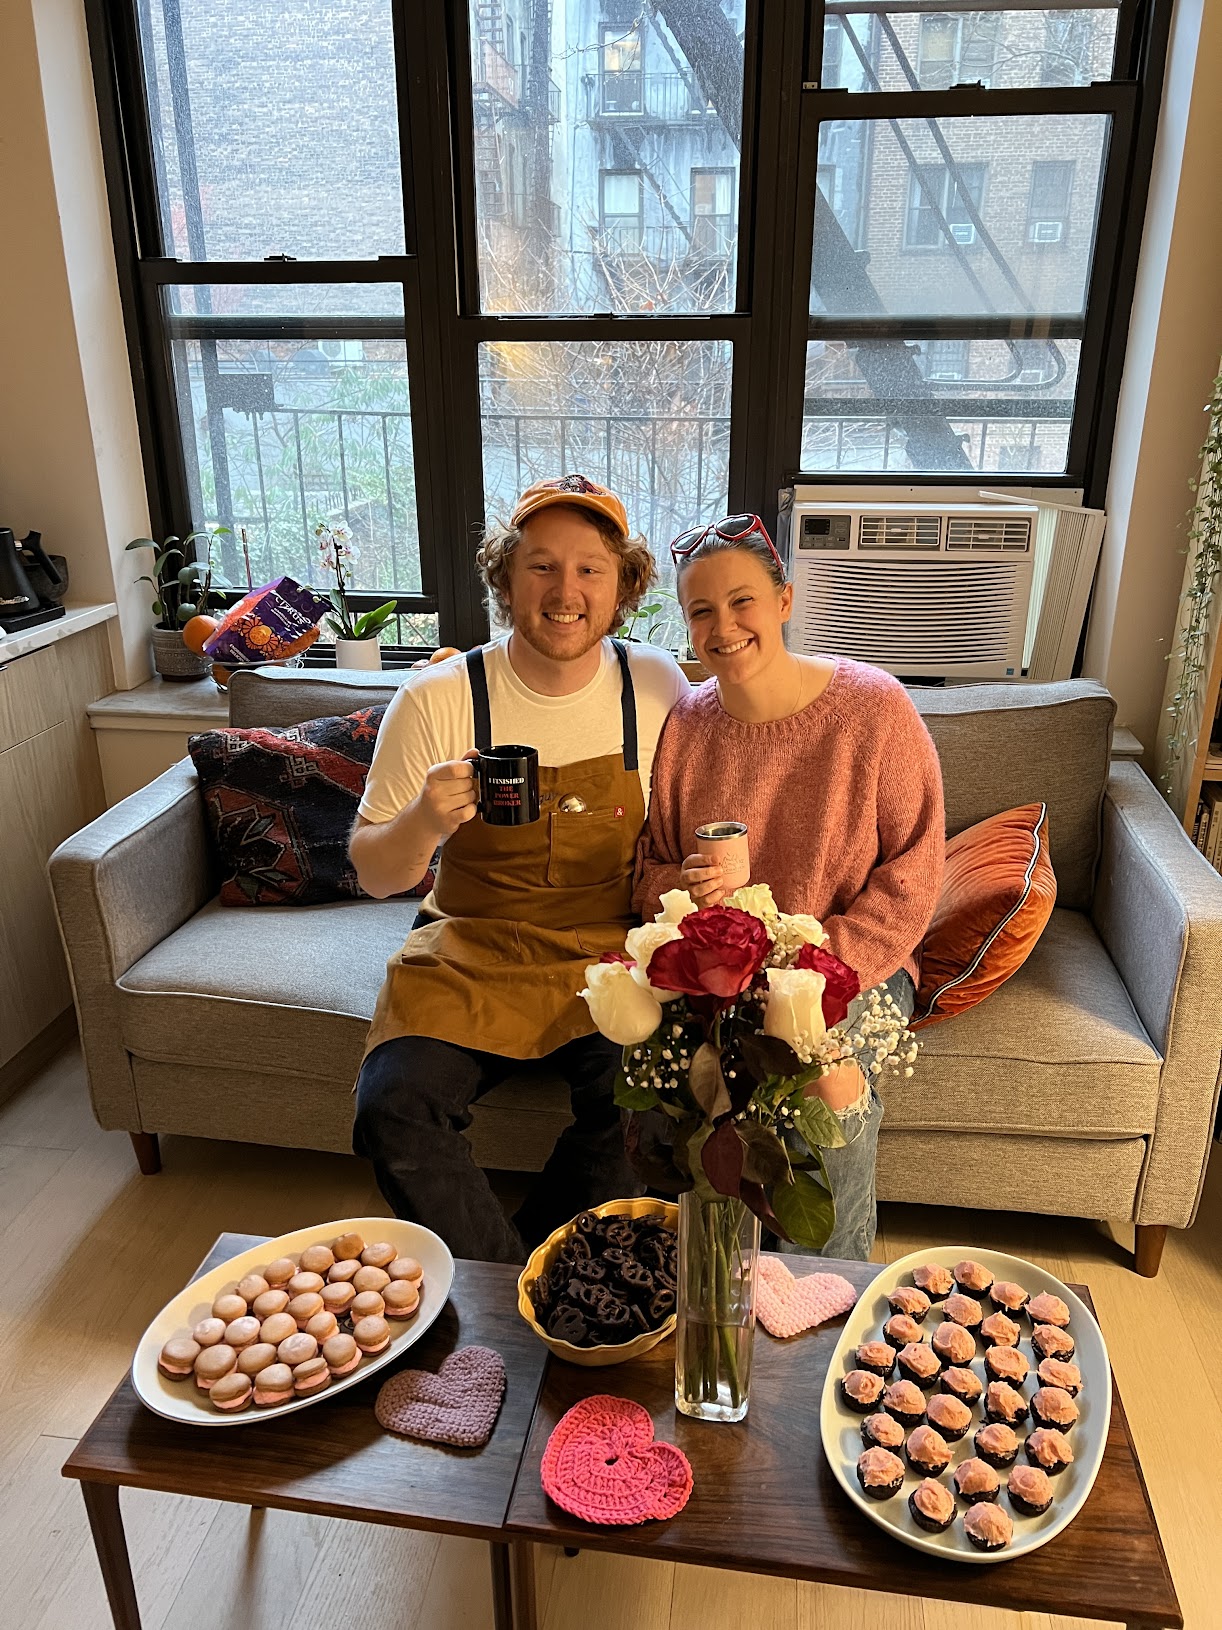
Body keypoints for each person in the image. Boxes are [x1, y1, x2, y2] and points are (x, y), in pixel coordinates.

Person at [350, 475, 689, 1263]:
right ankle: (519, 1300)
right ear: (505, 577)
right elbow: (372, 870)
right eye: (540, 565)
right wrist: (426, 820)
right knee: (392, 1107)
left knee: (653, 1107)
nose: (564, 591)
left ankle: (529, 1271)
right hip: (469, 946)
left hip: (610, 953)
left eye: (590, 568)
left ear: (624, 585)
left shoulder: (657, 685)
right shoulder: (438, 695)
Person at [633, 514, 945, 1260]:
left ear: (784, 601)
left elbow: (913, 873)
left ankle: (828, 1304)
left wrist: (813, 971)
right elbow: (651, 872)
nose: (724, 626)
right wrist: (692, 890)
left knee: (820, 1091)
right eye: (701, 610)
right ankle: (705, 1289)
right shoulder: (686, 724)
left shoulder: (874, 709)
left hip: (850, 966)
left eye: (742, 601)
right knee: (671, 1097)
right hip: (717, 969)